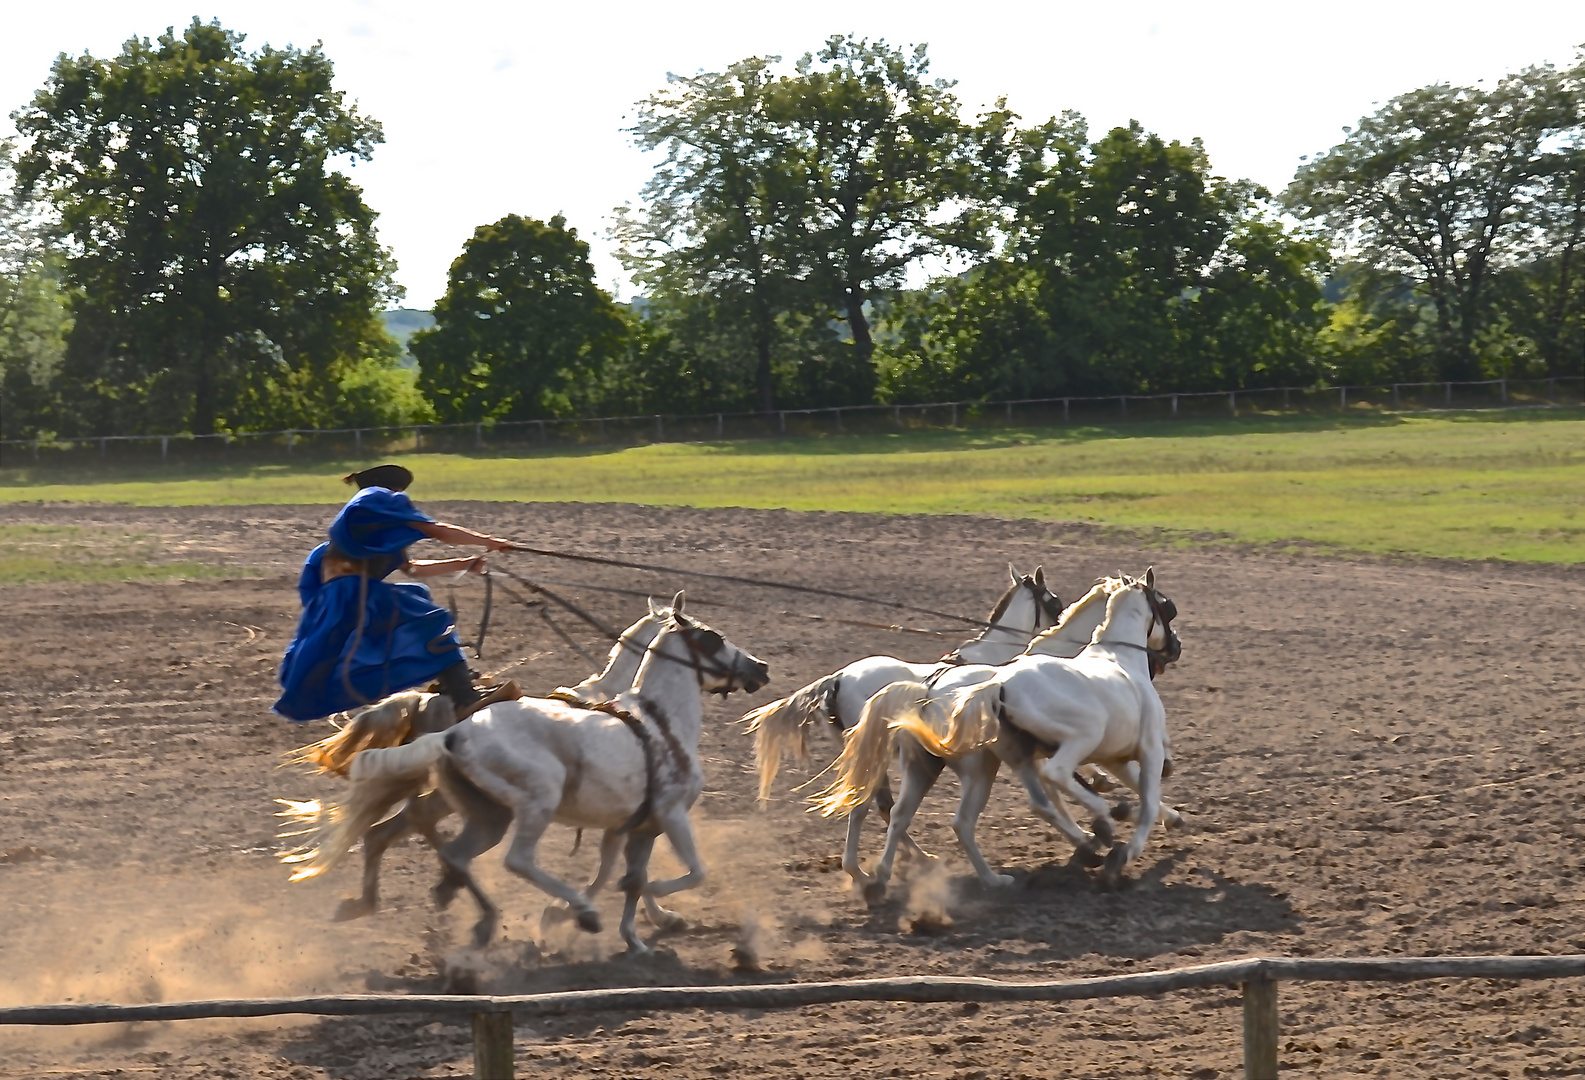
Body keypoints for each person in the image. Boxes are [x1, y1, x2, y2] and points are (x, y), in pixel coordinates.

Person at [274, 463, 516, 721]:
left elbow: (411, 569)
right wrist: (489, 541)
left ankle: (448, 679)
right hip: (351, 593)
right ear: (392, 488)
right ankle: (465, 697)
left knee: (416, 592)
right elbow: (434, 529)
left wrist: (464, 563)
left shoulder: (369, 532)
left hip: (344, 598)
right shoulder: (375, 496)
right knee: (431, 618)